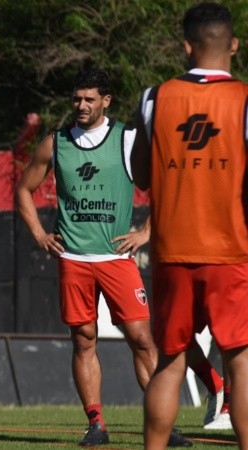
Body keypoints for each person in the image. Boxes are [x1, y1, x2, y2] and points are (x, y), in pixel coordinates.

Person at [16, 68, 191, 447]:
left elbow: (170, 182)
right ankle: (96, 423)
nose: (81, 105)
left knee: (142, 339)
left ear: (106, 101)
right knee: (83, 340)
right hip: (74, 260)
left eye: (89, 99)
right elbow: (24, 190)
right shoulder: (56, 142)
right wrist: (39, 234)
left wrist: (145, 232)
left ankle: (164, 424)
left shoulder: (127, 139)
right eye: (76, 98)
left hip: (116, 260)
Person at [132, 3, 248, 448]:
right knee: (239, 362)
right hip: (231, 250)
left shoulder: (154, 98)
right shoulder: (243, 100)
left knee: (170, 363)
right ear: (233, 45)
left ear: (185, 46)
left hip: (172, 252)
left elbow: (141, 176)